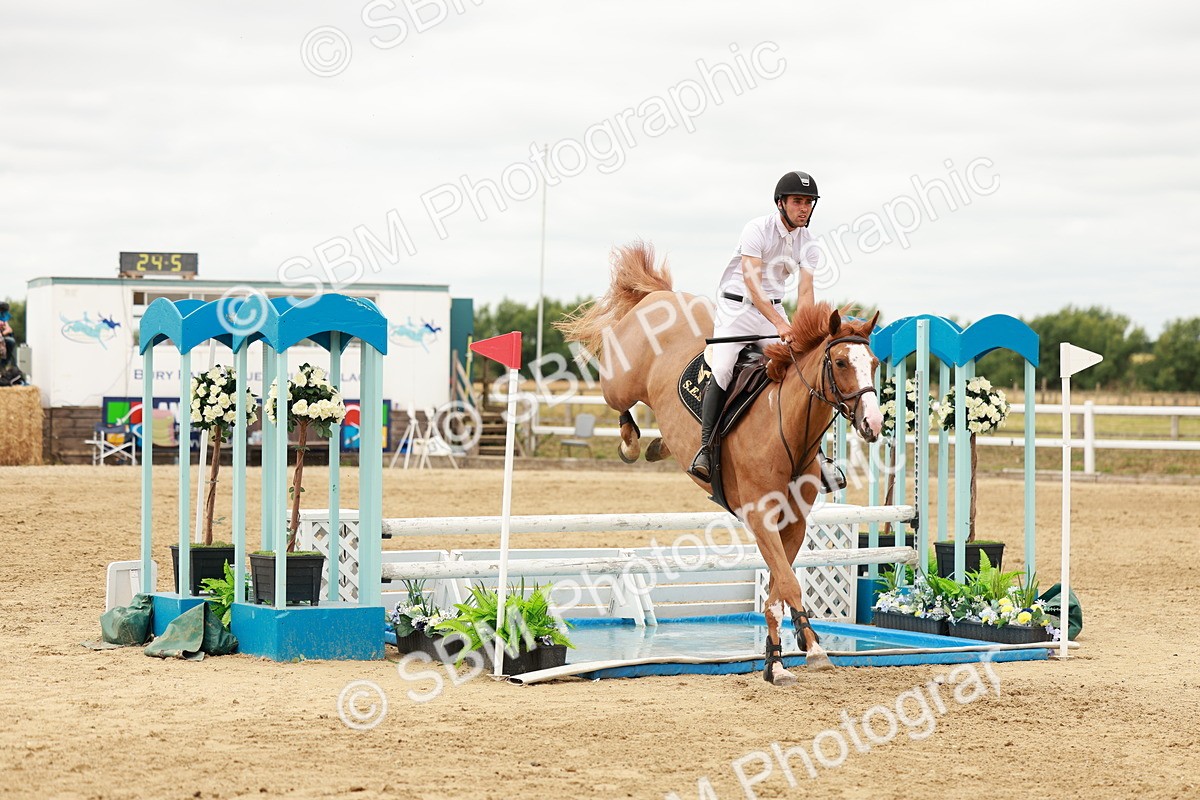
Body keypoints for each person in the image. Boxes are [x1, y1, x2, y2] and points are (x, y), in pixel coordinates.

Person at [688, 170, 821, 481]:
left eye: (809, 202)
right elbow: (752, 284)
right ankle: (706, 447)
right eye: (798, 201)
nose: (804, 208)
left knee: (803, 367)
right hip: (737, 308)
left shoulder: (809, 243)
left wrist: (805, 331)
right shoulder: (756, 229)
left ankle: (817, 454)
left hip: (773, 311)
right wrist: (780, 325)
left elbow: (805, 292)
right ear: (781, 203)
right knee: (722, 369)